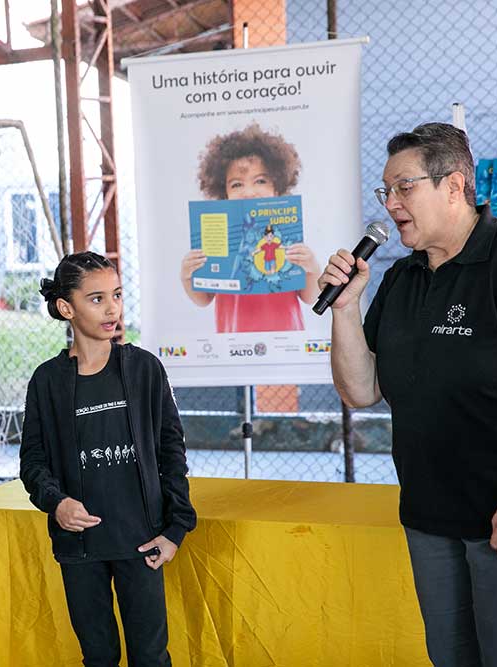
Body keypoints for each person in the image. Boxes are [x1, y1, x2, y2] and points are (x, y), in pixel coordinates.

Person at [319, 122, 497, 666]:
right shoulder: (401, 279)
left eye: (404, 187)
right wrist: (346, 309)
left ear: (454, 185)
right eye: (385, 190)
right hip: (432, 518)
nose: (391, 203)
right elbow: (360, 390)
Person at [20, 251, 197, 666]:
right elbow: (33, 462)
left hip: (142, 542)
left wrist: (175, 529)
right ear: (67, 308)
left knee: (150, 657)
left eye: (116, 295)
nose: (112, 308)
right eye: (96, 299)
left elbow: (172, 454)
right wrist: (57, 503)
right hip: (80, 549)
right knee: (98, 656)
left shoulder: (144, 370)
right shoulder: (47, 381)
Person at [180, 123, 320, 332]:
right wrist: (187, 275)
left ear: (277, 187)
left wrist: (312, 268)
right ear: (224, 192)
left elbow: (310, 297)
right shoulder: (219, 237)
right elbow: (203, 299)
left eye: (260, 181)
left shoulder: (288, 233)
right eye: (237, 184)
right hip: (233, 340)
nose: (249, 192)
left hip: (286, 341)